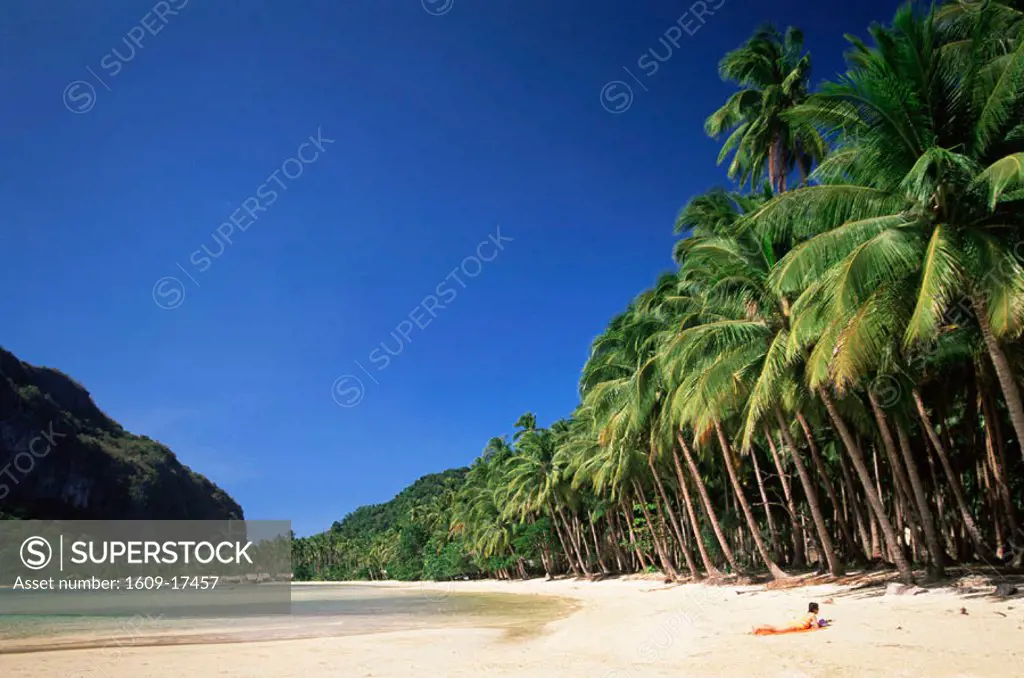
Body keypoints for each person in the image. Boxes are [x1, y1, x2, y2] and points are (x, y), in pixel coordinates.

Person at [753, 602, 828, 635]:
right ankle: (758, 628)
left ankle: (759, 626)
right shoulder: (813, 615)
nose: (818, 610)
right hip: (797, 627)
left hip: (794, 624)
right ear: (815, 609)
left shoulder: (808, 614)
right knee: (776, 630)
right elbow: (816, 627)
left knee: (776, 627)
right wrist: (823, 626)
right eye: (818, 609)